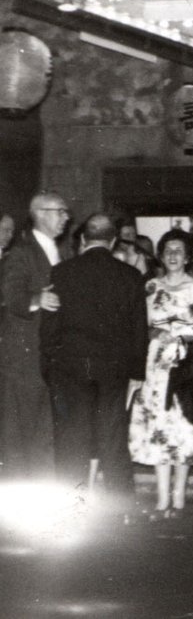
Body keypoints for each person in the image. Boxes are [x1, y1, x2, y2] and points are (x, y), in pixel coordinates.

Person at [40, 214, 146, 515]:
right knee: (113, 439)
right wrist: (137, 373)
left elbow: (50, 327)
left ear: (83, 239)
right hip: (113, 370)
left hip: (70, 368)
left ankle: (72, 511)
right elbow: (139, 330)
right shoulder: (130, 276)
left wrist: (49, 367)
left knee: (71, 441)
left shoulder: (61, 273)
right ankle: (121, 511)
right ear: (113, 241)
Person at [129, 230, 193, 516]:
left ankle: (179, 496)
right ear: (161, 256)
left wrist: (187, 335)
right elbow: (142, 326)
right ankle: (162, 499)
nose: (173, 255)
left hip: (188, 364)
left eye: (179, 250)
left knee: (184, 426)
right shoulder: (151, 287)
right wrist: (156, 332)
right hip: (157, 367)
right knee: (160, 427)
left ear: (187, 256)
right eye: (168, 250)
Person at [0, 191, 69, 480]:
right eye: (60, 211)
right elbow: (9, 296)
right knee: (18, 432)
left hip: (49, 357)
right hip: (24, 359)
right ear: (40, 213)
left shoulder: (60, 253)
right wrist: (36, 298)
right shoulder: (21, 252)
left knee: (44, 431)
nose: (66, 217)